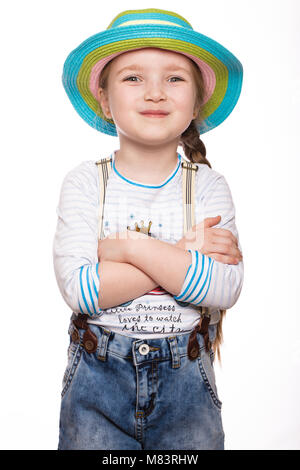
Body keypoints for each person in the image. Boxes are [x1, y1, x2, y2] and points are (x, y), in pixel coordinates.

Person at [53, 8, 244, 450]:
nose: (155, 92)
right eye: (133, 78)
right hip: (97, 383)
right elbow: (81, 290)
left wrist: (124, 249)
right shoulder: (85, 183)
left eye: (175, 78)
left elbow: (223, 286)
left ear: (196, 101)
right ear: (104, 99)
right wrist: (181, 251)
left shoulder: (209, 187)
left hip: (187, 389)